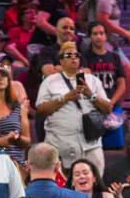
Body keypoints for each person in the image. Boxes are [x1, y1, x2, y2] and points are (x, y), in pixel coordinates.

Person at [35, 41, 111, 174]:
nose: (74, 58)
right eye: (69, 55)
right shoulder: (50, 81)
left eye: (76, 55)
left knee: (95, 185)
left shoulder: (92, 80)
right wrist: (65, 98)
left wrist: (90, 94)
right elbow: (41, 109)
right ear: (61, 61)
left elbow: (107, 109)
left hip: (91, 145)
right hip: (60, 145)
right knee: (63, 189)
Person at [82, 22, 128, 110]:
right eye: (95, 34)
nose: (98, 37)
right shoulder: (84, 57)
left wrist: (110, 103)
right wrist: (98, 102)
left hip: (113, 105)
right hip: (92, 105)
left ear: (106, 36)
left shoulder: (115, 57)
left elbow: (122, 85)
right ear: (90, 36)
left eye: (101, 33)